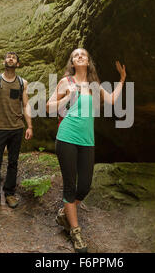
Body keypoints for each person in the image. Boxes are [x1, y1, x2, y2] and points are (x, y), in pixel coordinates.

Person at [46, 48, 126, 253]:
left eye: (83, 55)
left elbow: (111, 101)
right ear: (72, 62)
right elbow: (48, 107)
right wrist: (66, 99)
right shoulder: (66, 82)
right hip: (66, 137)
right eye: (76, 55)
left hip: (87, 140)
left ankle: (66, 212)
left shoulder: (94, 85)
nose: (80, 56)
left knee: (85, 186)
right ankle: (75, 232)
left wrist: (122, 79)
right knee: (70, 185)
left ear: (88, 61)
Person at [0, 51, 33, 213]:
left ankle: (9, 193)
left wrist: (30, 126)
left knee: (13, 162)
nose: (10, 58)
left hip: (17, 129)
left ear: (17, 64)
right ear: (4, 61)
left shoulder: (22, 83)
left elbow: (26, 105)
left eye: (14, 58)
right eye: (8, 57)